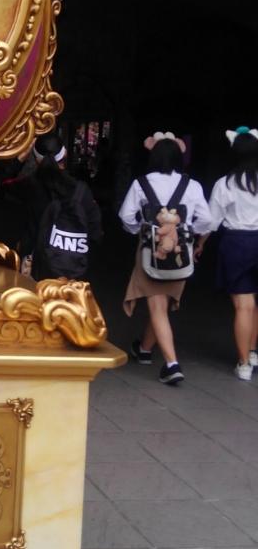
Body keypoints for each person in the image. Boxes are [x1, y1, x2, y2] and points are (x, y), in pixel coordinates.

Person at [119, 131, 212, 385]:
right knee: (162, 304)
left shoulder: (141, 184)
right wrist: (189, 234)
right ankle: (144, 350)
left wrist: (140, 232)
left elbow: (126, 216)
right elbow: (206, 220)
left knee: (157, 306)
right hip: (180, 255)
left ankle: (172, 365)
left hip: (150, 252)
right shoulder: (192, 186)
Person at [207, 128, 258, 381]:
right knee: (255, 304)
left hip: (236, 244)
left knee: (243, 305)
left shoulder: (224, 184)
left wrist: (199, 243)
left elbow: (211, 221)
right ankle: (253, 351)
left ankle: (244, 364)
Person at [19, 132, 103, 281]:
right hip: (70, 268)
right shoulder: (81, 190)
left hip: (35, 264)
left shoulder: (29, 186)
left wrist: (21, 156)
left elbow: (3, 179)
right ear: (64, 155)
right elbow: (95, 232)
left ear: (36, 159)